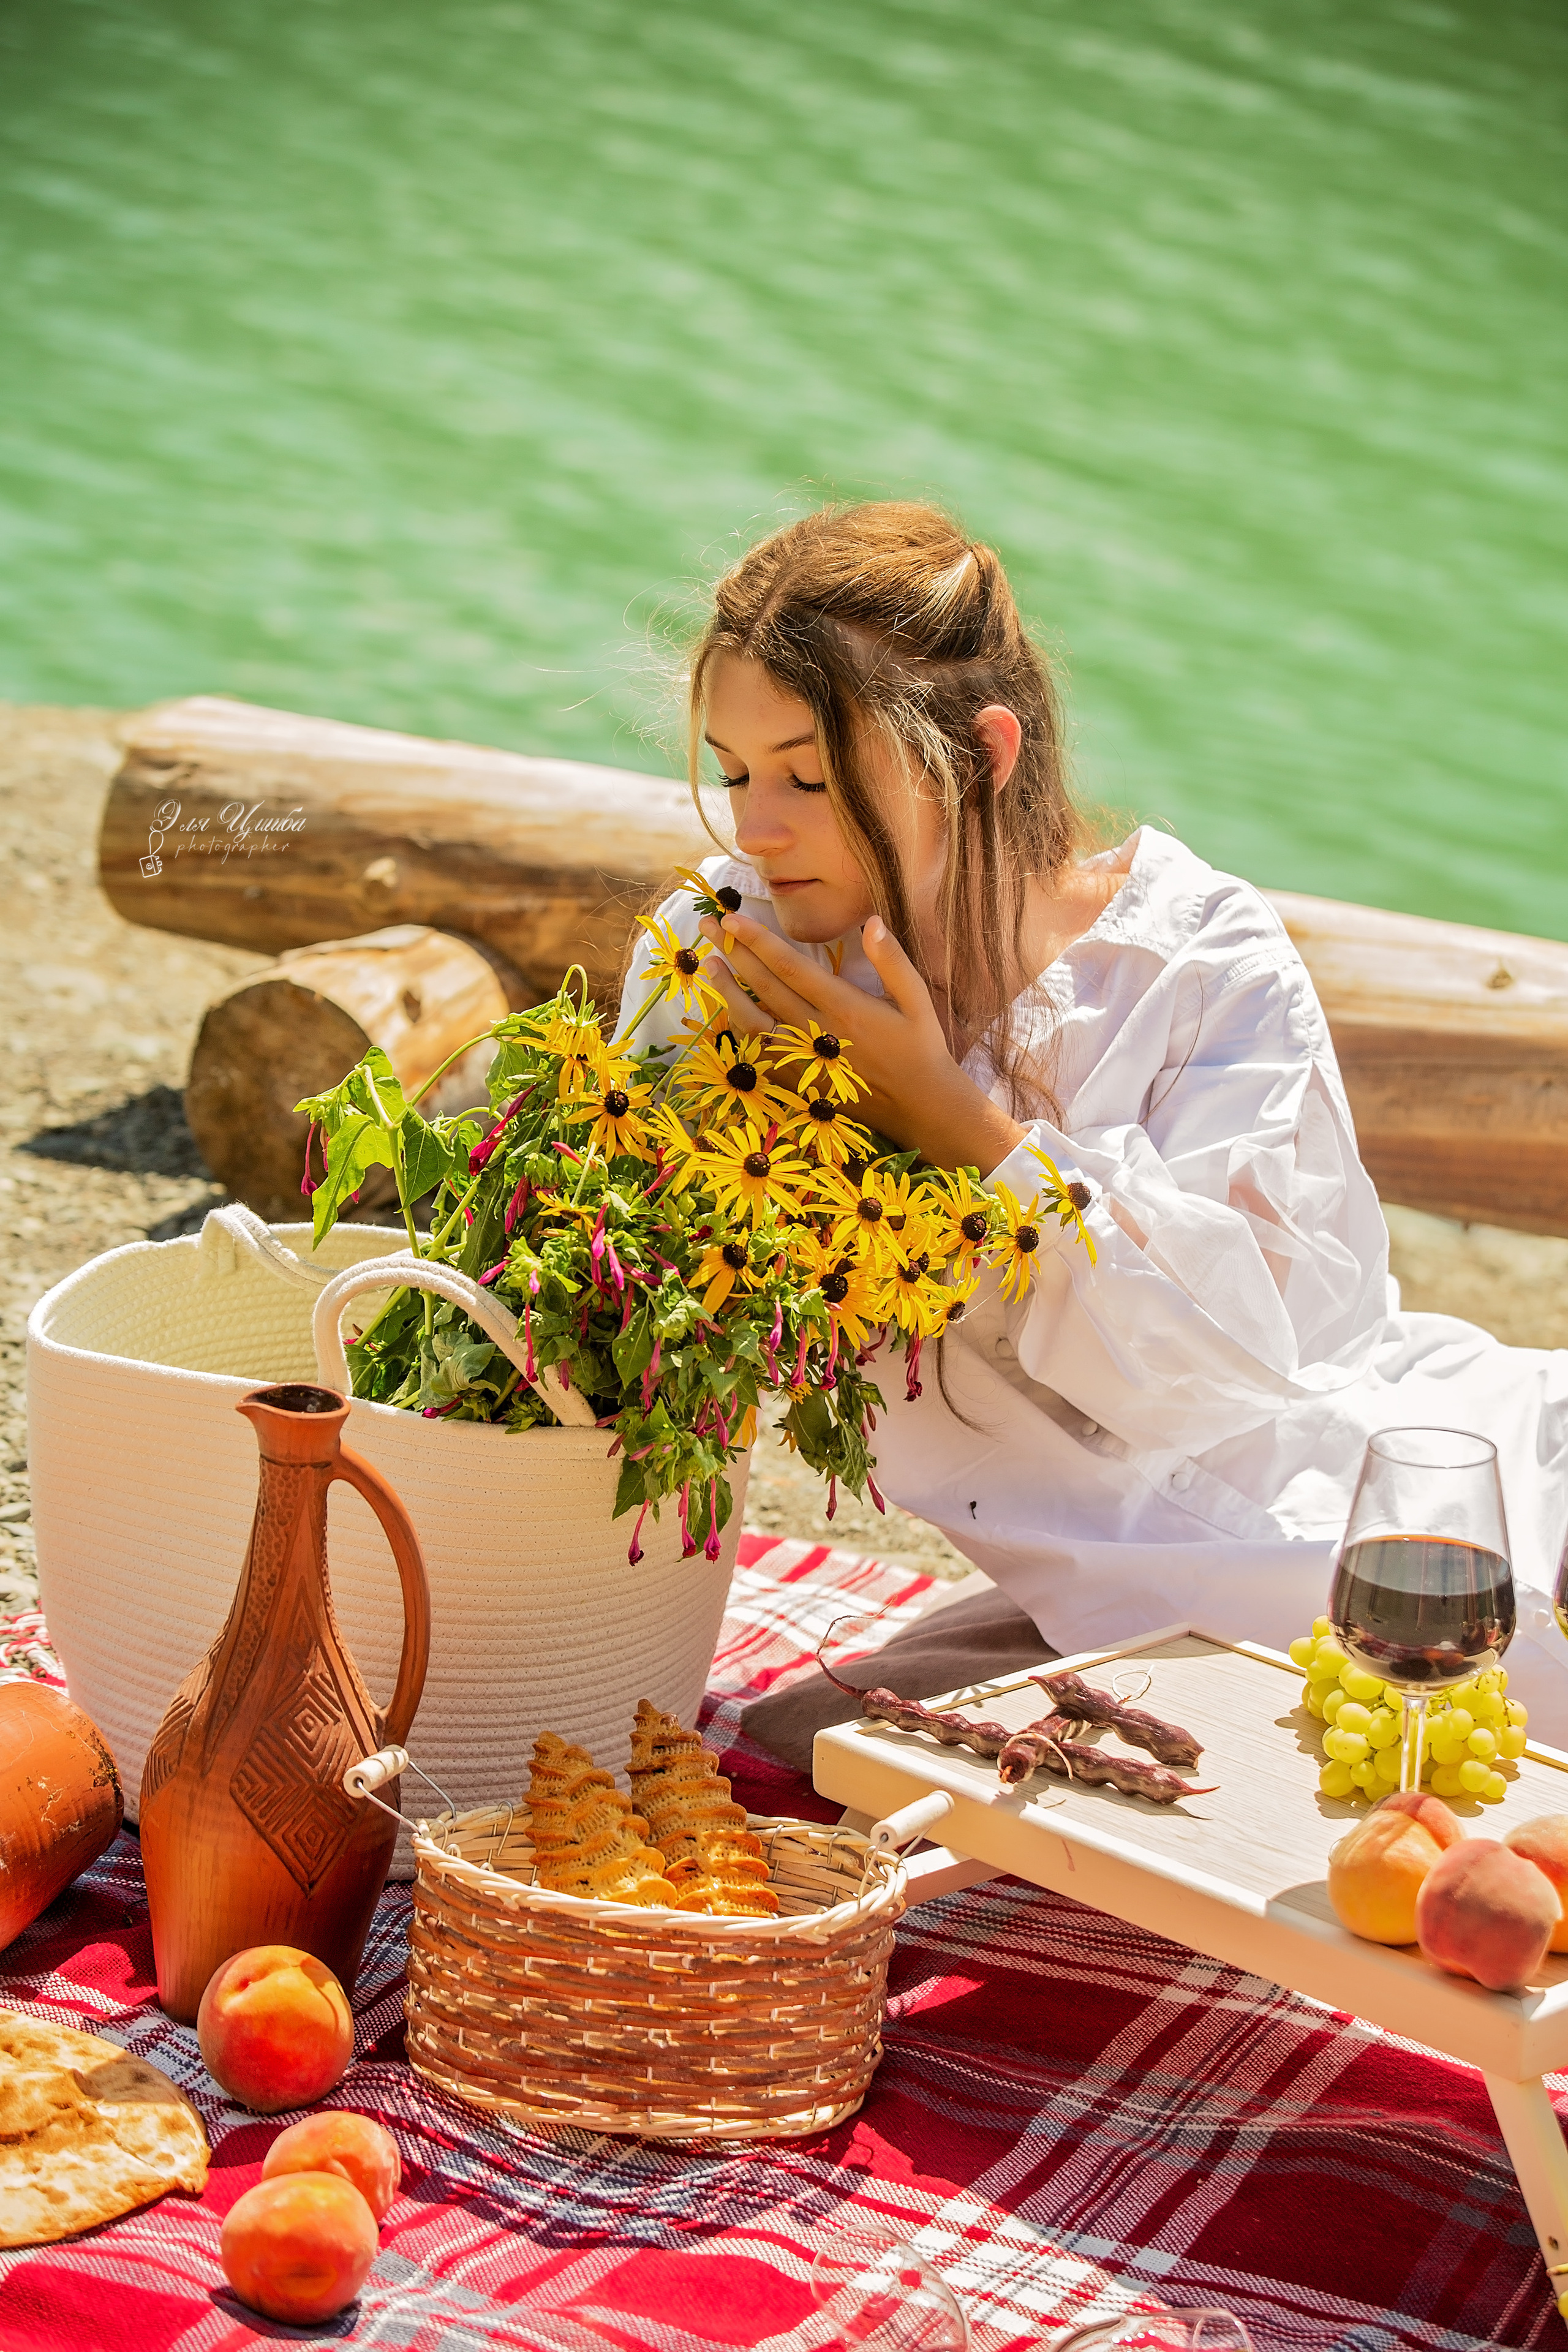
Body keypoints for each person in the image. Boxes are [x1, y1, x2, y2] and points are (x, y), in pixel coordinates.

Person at [619, 500, 1568, 1739]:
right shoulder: (726, 961)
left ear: (982, 755)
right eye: (736, 772)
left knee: (1507, 1679)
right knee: (805, 1749)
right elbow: (636, 1289)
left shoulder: (1197, 961)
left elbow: (1243, 1369)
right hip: (1119, 1586)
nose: (755, 827)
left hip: (1378, 1479)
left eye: (807, 775)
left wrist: (959, 1123)